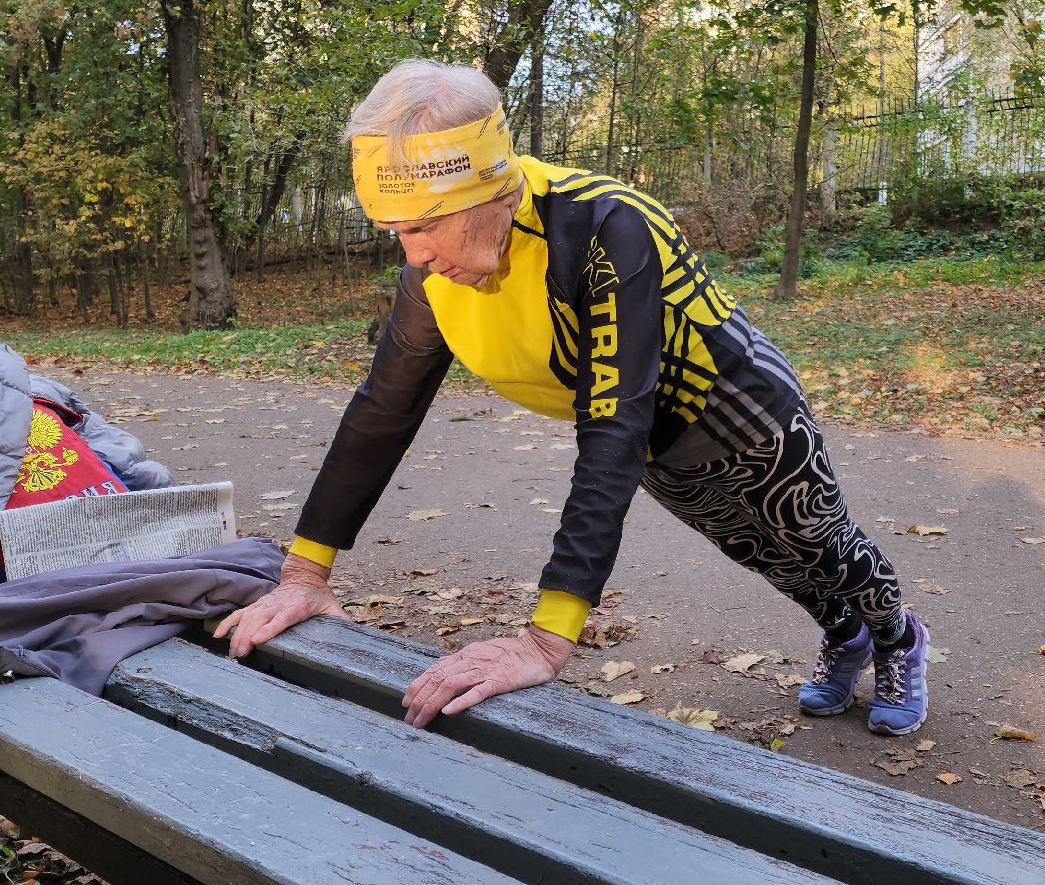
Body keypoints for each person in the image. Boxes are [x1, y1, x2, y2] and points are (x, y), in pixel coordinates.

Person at [216, 59, 928, 735]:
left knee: (818, 543)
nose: (414, 255)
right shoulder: (431, 283)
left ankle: (898, 638)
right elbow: (381, 412)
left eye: (425, 226)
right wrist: (305, 574)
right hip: (657, 443)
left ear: (489, 194)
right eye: (397, 233)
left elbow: (613, 420)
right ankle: (846, 635)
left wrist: (546, 638)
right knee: (756, 552)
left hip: (742, 410)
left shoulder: (606, 225)